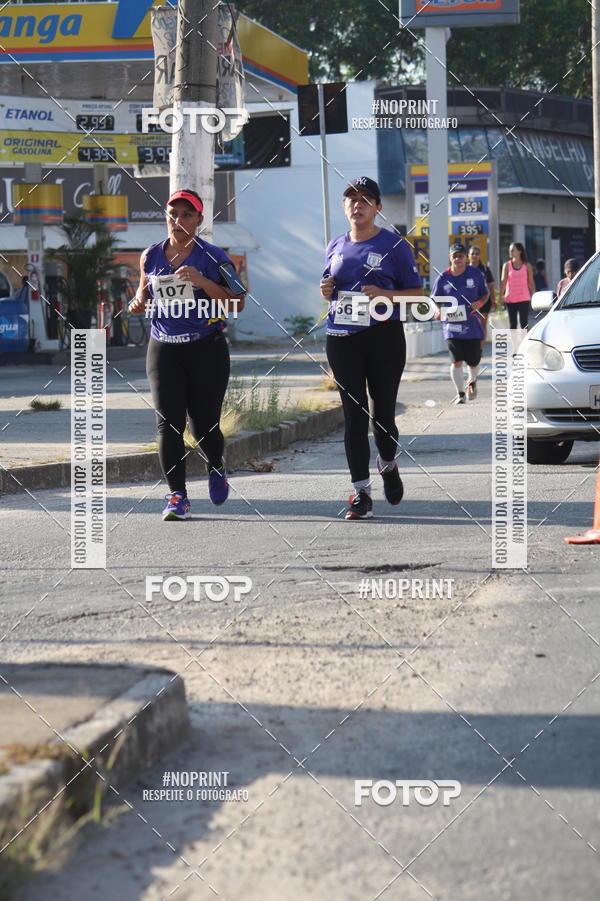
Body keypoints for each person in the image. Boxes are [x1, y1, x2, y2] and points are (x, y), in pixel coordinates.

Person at [128, 188, 245, 520]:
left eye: (186, 215)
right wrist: (138, 302)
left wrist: (202, 282)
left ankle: (216, 466)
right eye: (172, 215)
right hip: (163, 346)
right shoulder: (150, 256)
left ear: (199, 220)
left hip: (206, 347)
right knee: (168, 424)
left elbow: (238, 300)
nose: (178, 221)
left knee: (204, 424)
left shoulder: (213, 257)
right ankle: (177, 496)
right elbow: (143, 294)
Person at [320, 176, 422, 520]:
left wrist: (385, 295)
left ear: (377, 208)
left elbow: (417, 294)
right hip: (342, 338)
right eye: (351, 199)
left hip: (383, 338)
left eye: (365, 199)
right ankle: (361, 492)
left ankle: (388, 463)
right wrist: (326, 289)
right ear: (344, 205)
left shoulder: (395, 246)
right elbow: (330, 287)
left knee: (383, 417)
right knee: (353, 417)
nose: (357, 204)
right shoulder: (335, 244)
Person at [431, 243, 489, 404]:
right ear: (450, 258)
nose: (458, 259)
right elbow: (433, 299)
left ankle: (472, 381)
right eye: (454, 256)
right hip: (452, 327)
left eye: (460, 256)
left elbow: (485, 295)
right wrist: (436, 310)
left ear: (465, 257)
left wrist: (479, 303)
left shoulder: (475, 274)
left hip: (472, 325)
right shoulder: (443, 277)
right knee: (456, 360)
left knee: (473, 361)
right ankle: (460, 393)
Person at [499, 242, 535, 333]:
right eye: (509, 250)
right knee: (513, 324)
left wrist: (534, 296)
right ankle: (515, 346)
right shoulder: (506, 265)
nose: (510, 252)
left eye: (512, 250)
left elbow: (531, 283)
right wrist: (500, 296)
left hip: (524, 298)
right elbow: (503, 282)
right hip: (510, 298)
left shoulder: (527, 265)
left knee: (524, 323)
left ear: (519, 251)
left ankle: (524, 345)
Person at [467, 244, 495, 349]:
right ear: (468, 255)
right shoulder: (464, 269)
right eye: (472, 254)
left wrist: (494, 300)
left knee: (482, 325)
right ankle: (471, 347)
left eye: (477, 254)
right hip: (469, 301)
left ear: (480, 256)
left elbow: (491, 285)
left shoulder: (484, 269)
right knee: (470, 324)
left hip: (484, 300)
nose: (474, 256)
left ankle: (480, 348)